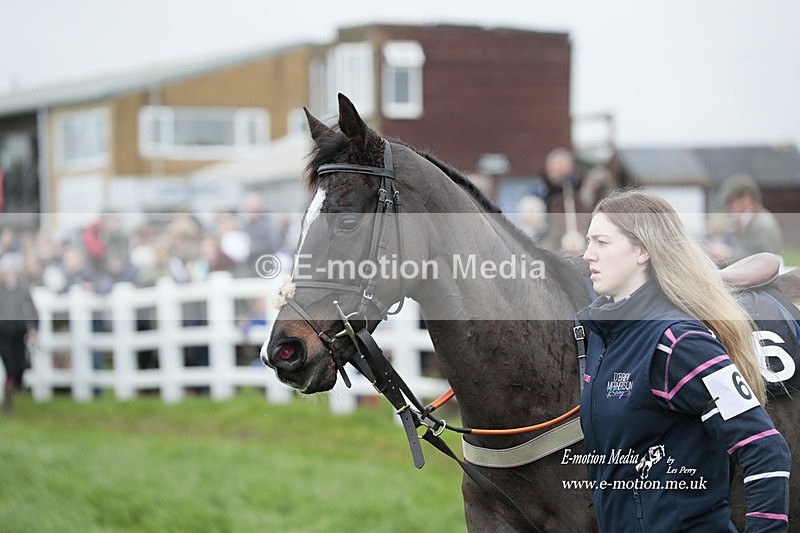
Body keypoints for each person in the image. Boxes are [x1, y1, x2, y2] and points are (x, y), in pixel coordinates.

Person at [577, 188, 790, 531]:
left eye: (601, 242)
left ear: (643, 250)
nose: (587, 255)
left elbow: (766, 449)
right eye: (589, 242)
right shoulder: (604, 338)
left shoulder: (680, 343)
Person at [708, 174, 783, 266]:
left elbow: (768, 260)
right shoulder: (745, 221)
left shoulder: (763, 224)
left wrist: (728, 254)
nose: (728, 207)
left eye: (731, 202)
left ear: (747, 199)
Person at [0, 253, 38, 415]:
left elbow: (33, 311)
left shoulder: (23, 289)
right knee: (9, 366)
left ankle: (15, 386)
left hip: (18, 332)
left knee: (19, 366)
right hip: (2, 333)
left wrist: (34, 329)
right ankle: (9, 403)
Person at [541, 147, 587, 254]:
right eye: (550, 167)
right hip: (552, 236)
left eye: (556, 167)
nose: (551, 170)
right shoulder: (544, 189)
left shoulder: (577, 189)